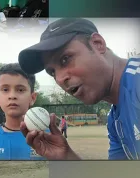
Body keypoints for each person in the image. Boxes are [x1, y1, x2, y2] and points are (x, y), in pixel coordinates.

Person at [18, 18, 140, 160]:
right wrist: (66, 157)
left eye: (65, 59)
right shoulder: (115, 122)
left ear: (97, 44)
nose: (59, 79)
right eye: (52, 72)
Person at [0, 63, 50, 160]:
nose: (12, 96)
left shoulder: (50, 139)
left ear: (32, 98)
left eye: (20, 90)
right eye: (5, 89)